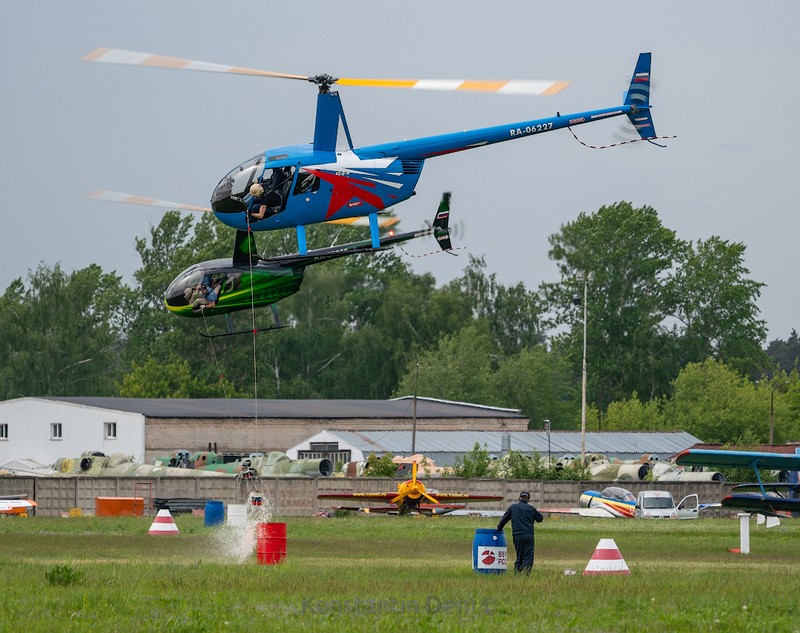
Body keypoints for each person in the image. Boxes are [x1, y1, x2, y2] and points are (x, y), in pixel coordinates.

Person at [496, 491, 544, 575]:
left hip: (517, 535)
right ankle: (525, 574)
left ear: (519, 498)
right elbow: (540, 519)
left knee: (519, 555)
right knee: (528, 555)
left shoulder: (513, 507)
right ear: (528, 500)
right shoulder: (531, 508)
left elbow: (504, 520)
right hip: (528, 534)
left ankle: (517, 573)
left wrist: (499, 528)